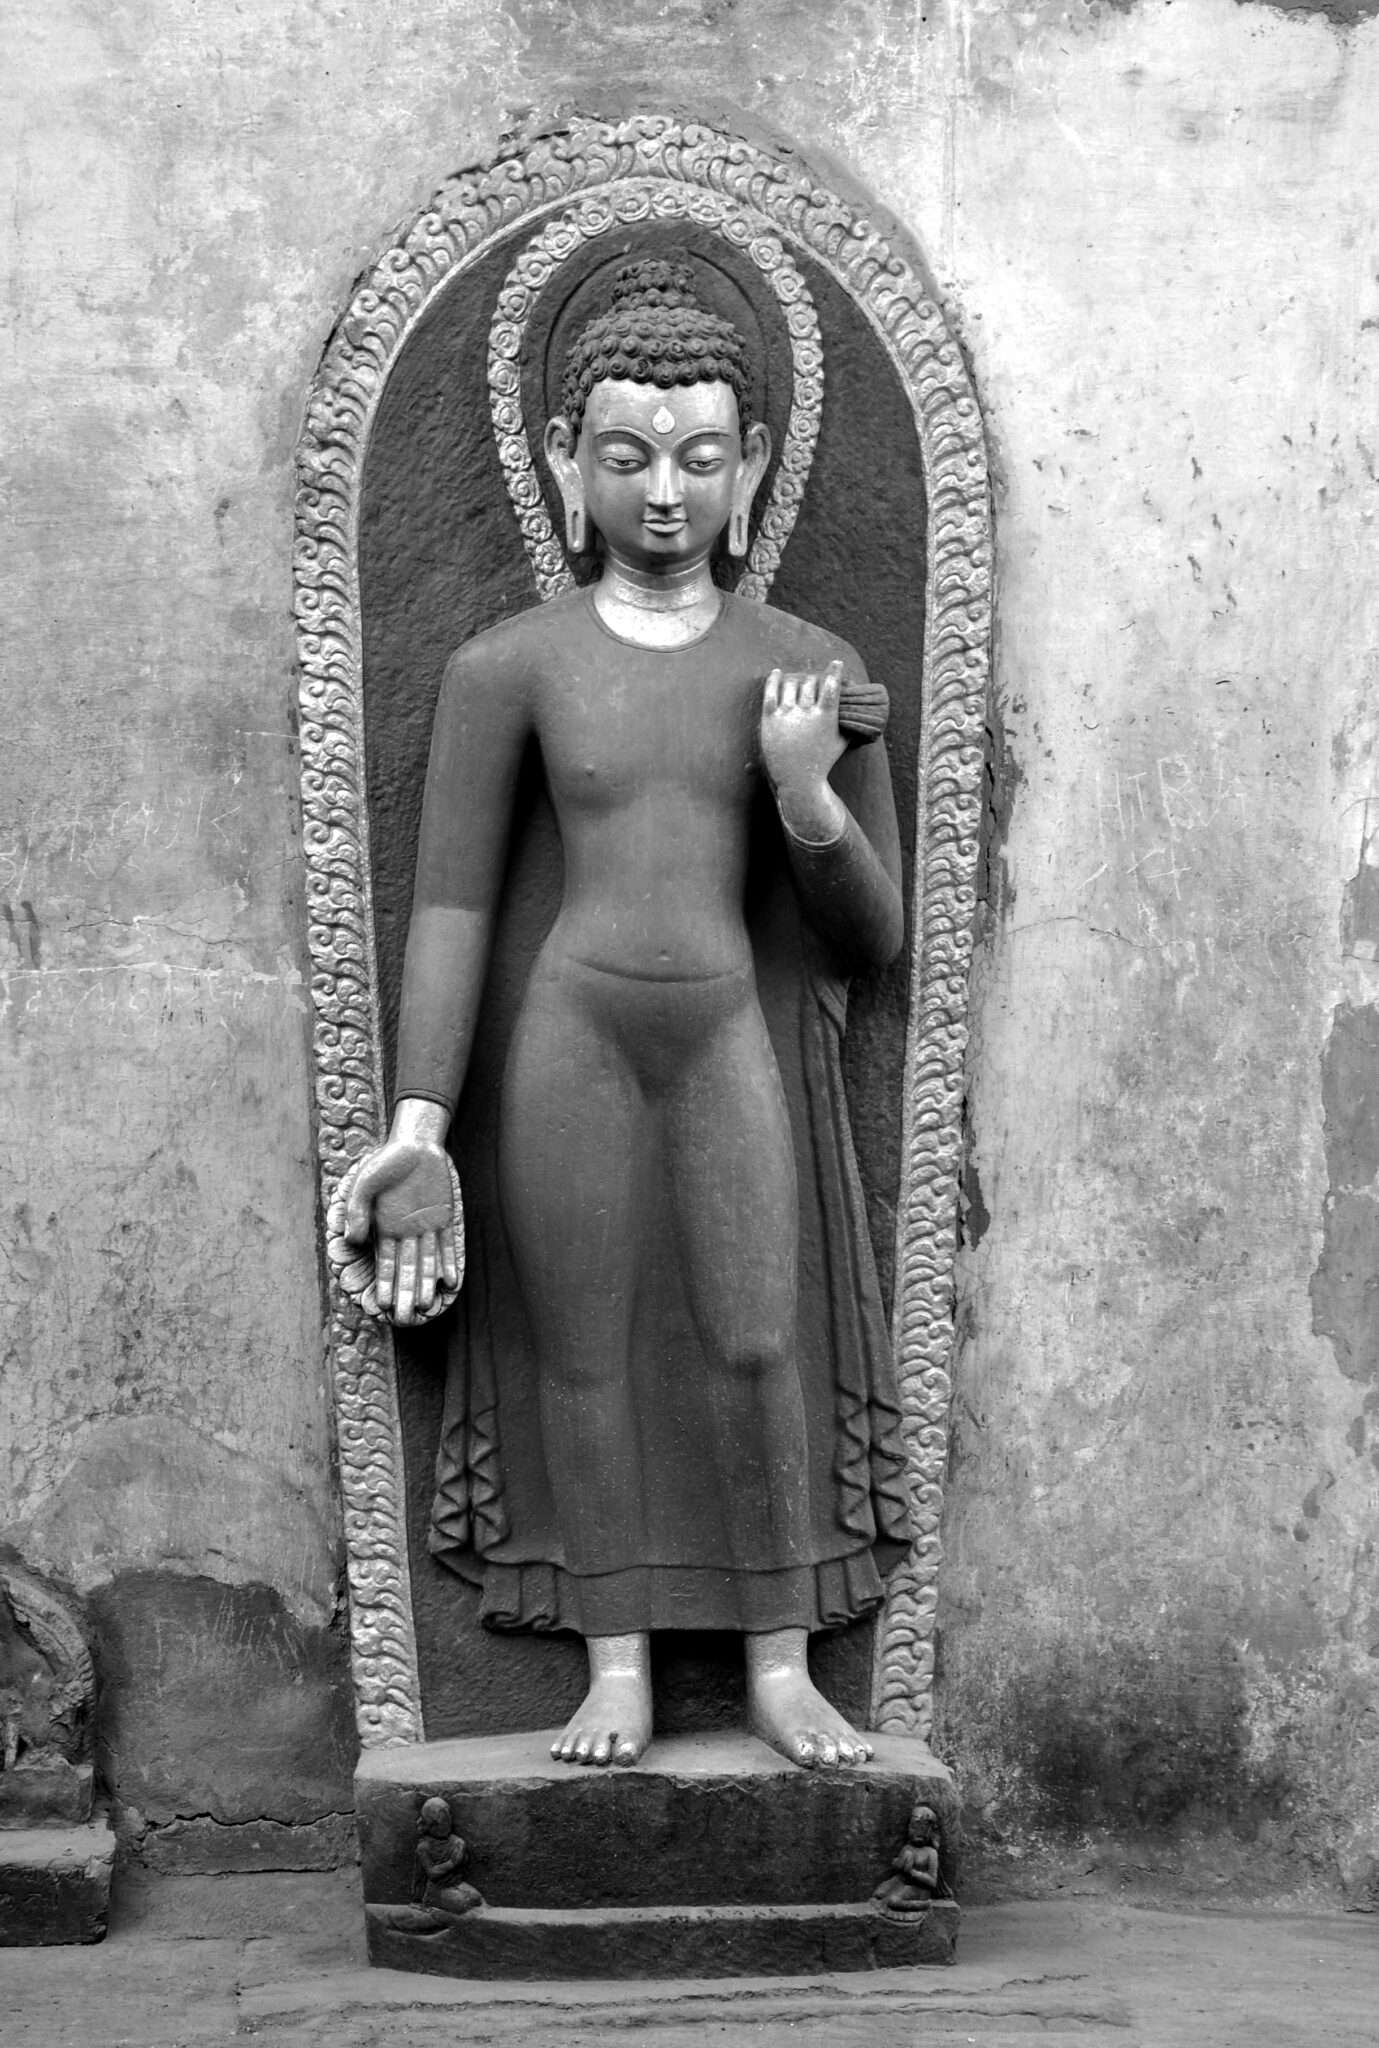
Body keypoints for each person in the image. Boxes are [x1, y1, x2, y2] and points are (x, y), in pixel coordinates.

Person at [345, 259, 909, 1771]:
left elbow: (872, 935)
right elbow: (454, 905)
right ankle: (617, 1664)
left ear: (758, 462)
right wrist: (417, 1128)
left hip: (725, 1026)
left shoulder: (809, 672)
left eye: (702, 455)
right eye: (626, 454)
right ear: (559, 461)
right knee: (581, 1351)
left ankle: (786, 1661)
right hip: (571, 1039)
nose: (665, 492)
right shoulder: (508, 669)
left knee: (750, 1337)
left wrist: (803, 795)